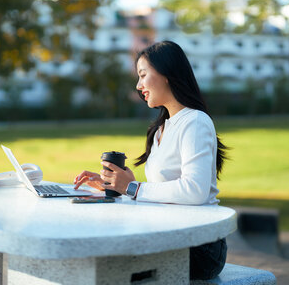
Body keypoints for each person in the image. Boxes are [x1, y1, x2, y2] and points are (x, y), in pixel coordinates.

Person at [73, 40, 228, 280]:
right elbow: (160, 191)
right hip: (168, 233)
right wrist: (118, 186)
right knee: (94, 257)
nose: (138, 85)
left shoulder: (194, 121)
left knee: (106, 266)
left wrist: (133, 188)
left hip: (200, 245)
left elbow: (195, 191)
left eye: (143, 75)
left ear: (167, 74)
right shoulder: (160, 129)